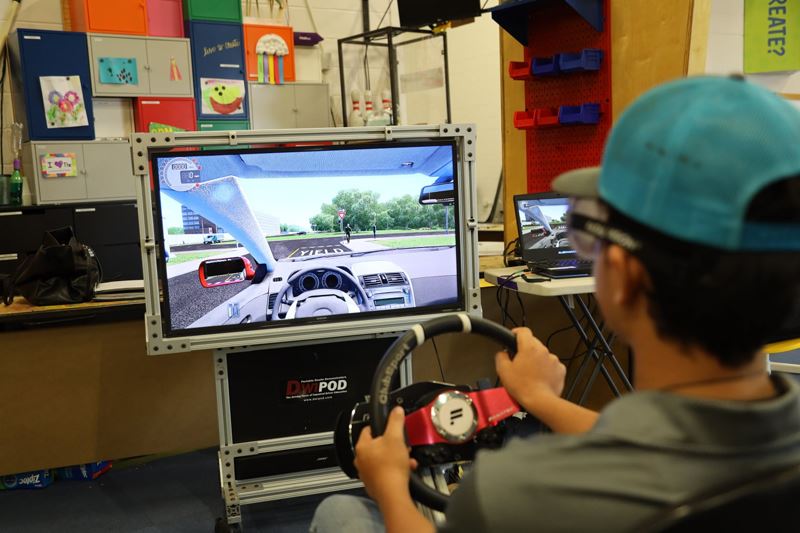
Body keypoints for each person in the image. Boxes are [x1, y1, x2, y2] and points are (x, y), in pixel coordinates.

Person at [311, 76, 800, 532]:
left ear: (627, 277)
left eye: (588, 236)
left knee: (339, 510)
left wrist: (391, 486)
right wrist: (542, 401)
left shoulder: (517, 493)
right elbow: (681, 447)